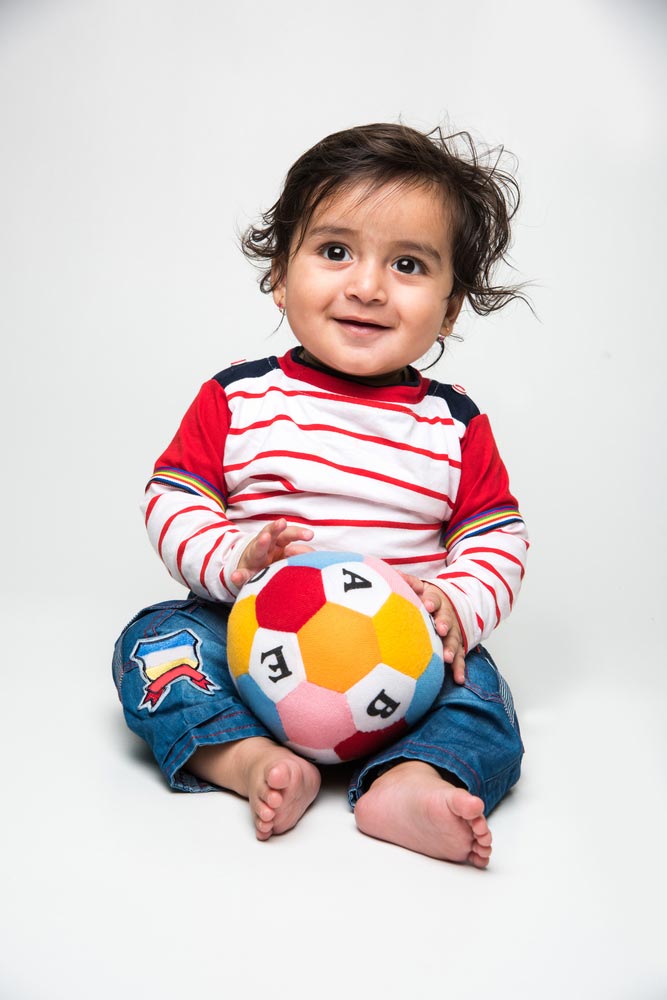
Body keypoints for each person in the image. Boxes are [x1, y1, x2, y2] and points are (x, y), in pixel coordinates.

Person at [112, 122, 529, 867]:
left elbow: (496, 538)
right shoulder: (240, 396)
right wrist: (233, 560)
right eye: (334, 252)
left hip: (406, 664)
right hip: (245, 636)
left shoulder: (453, 422)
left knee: (485, 701)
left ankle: (409, 779)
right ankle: (244, 758)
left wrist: (457, 605)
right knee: (154, 647)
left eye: (407, 264)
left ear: (450, 306)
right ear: (279, 272)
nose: (365, 287)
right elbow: (172, 497)